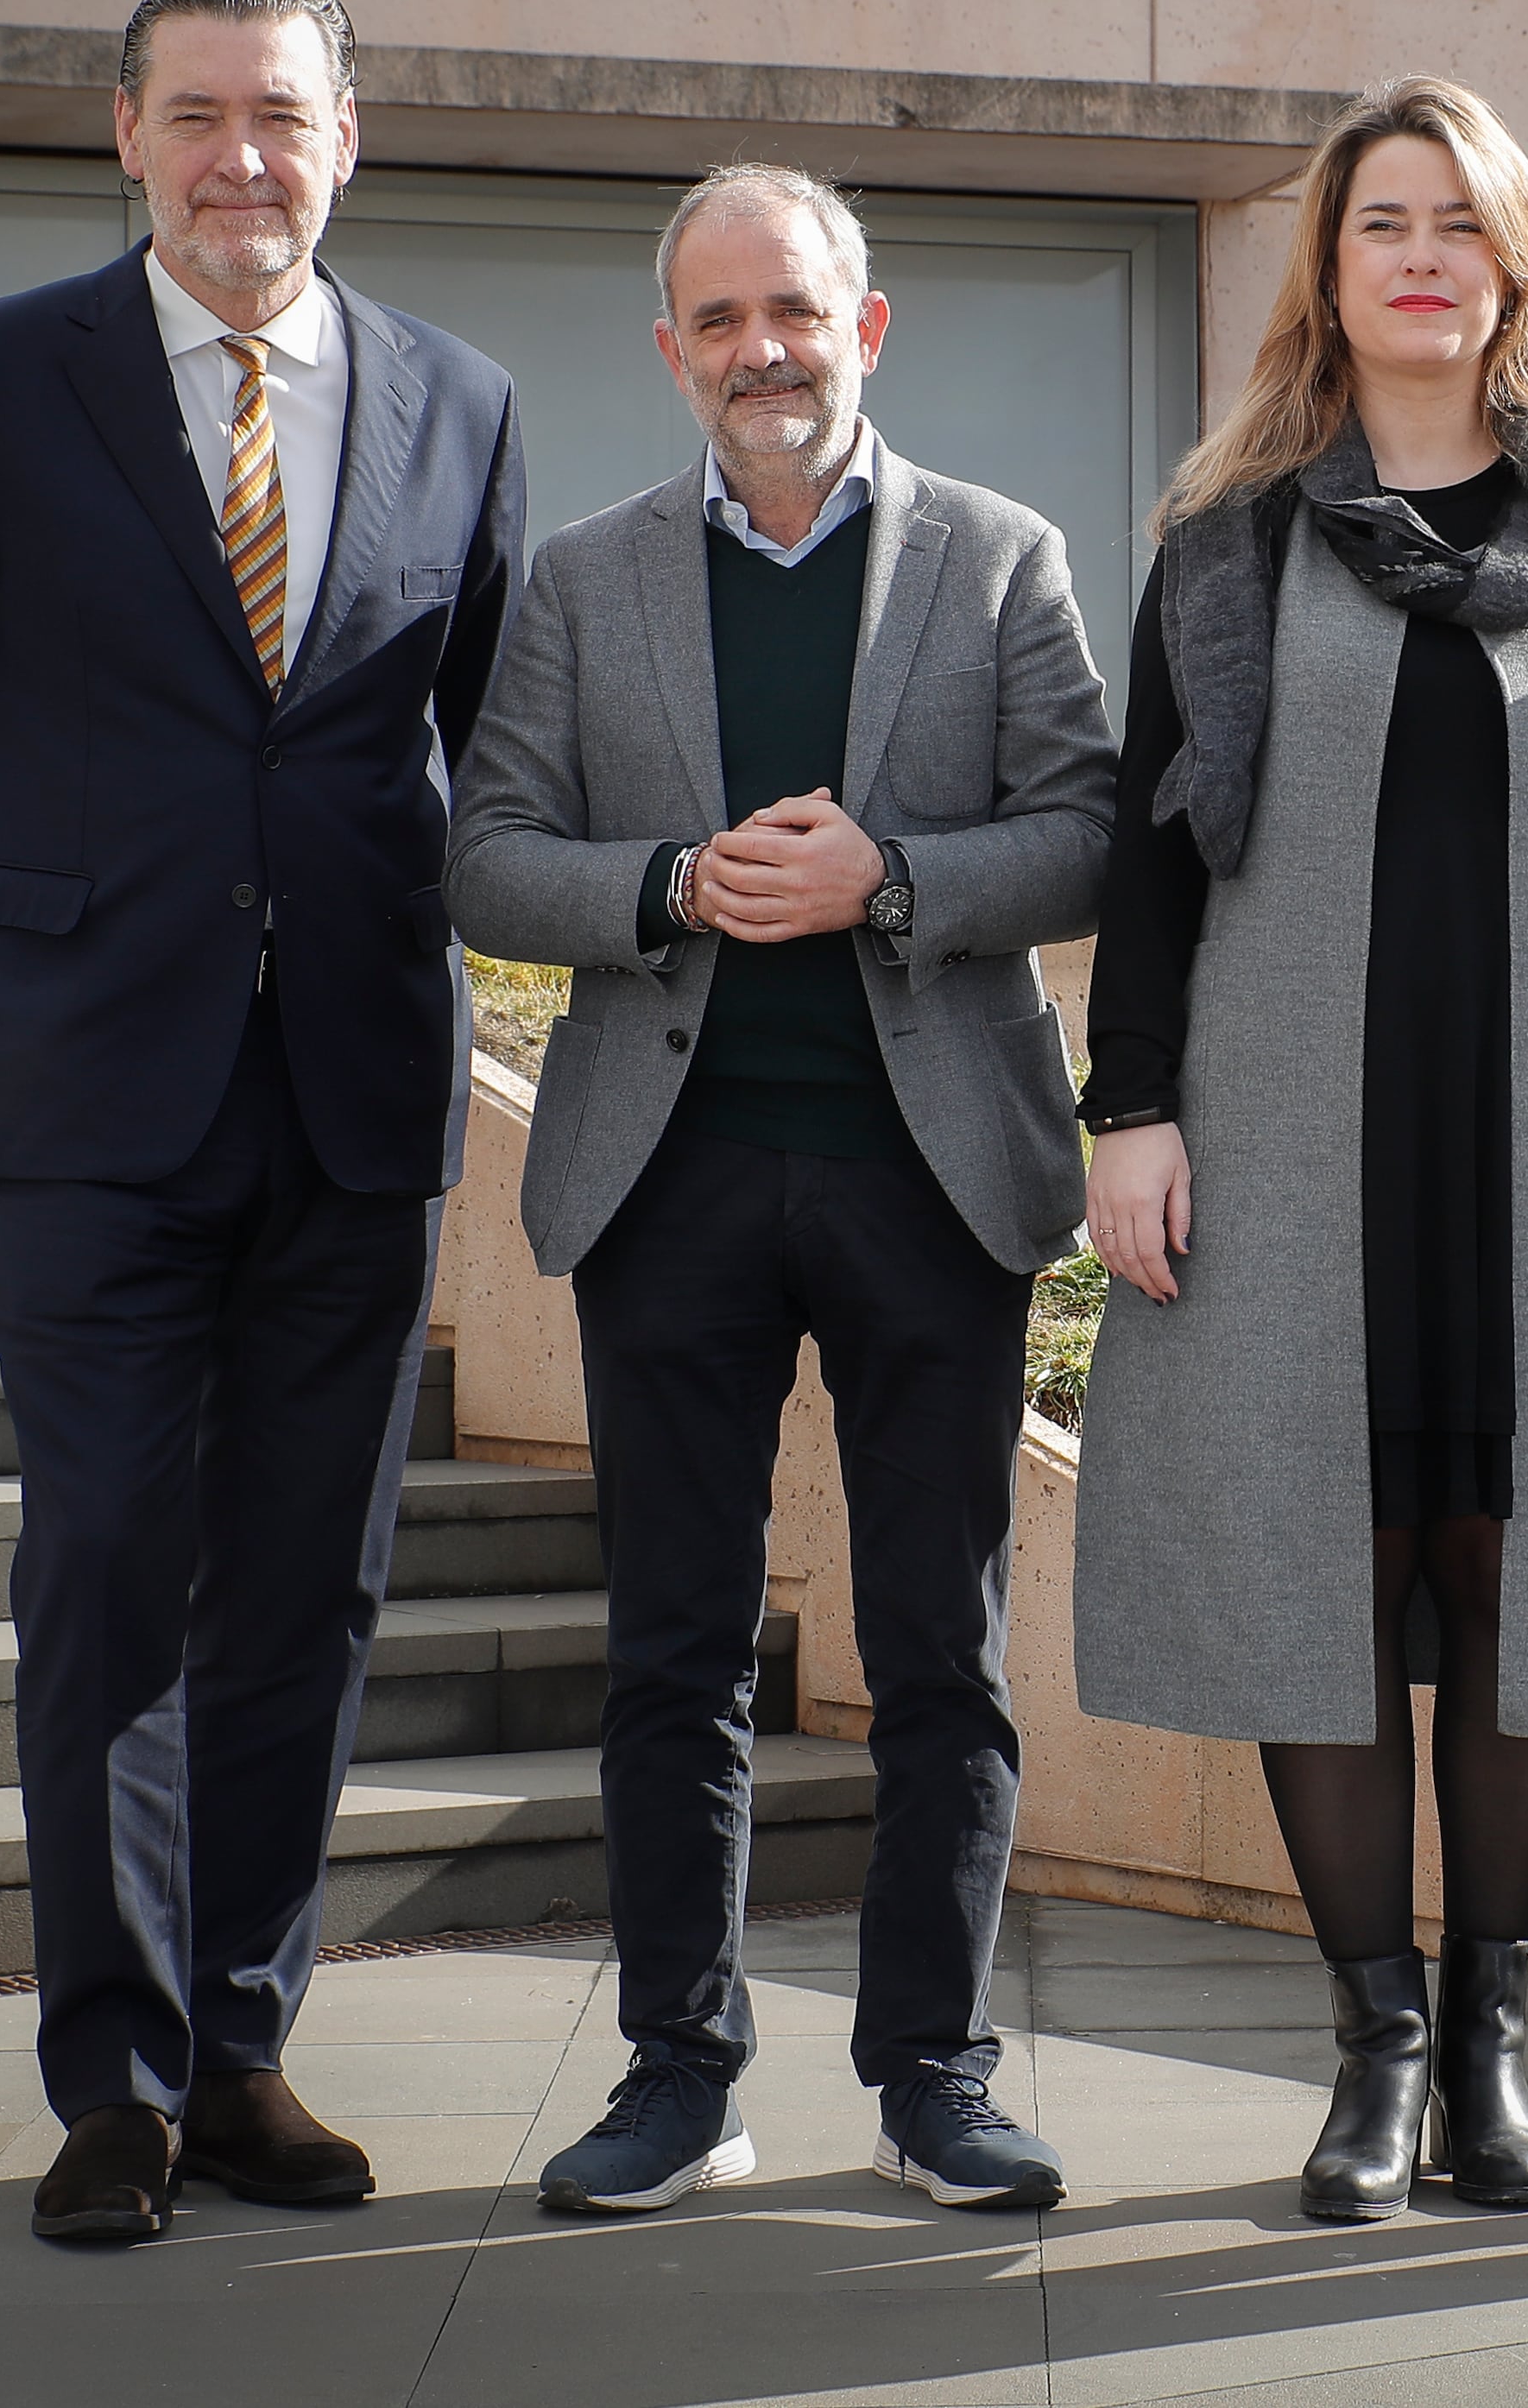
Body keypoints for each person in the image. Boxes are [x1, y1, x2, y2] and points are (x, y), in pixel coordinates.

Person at [0, 0, 526, 2245]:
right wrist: (47, 922)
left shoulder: (462, 402)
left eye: (287, 113)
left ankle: (242, 2044)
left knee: (307, 1587)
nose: (247, 153)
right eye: (201, 110)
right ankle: (110, 2071)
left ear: (354, 138)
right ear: (122, 133)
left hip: (349, 1079)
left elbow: (492, 732)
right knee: (113, 1548)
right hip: (80, 1085)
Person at [1069, 77, 1528, 2222]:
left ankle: (1491, 2036)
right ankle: (1371, 2045)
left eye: (1460, 223)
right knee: (1324, 1564)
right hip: (1297, 1143)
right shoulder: (1229, 544)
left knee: (1515, 1566)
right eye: (1385, 221)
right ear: (1332, 266)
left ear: (1511, 266)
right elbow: (1153, 849)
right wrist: (1132, 1107)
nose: (1422, 257)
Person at [444, 163, 1114, 2218]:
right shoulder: (582, 577)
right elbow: (485, 849)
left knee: (942, 1652)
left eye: (797, 311)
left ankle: (934, 2073)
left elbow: (1090, 827)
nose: (763, 350)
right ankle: (676, 2069)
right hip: (677, 1172)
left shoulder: (1001, 561)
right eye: (721, 319)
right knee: (673, 1644)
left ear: (868, 324)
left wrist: (888, 876)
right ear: (674, 349)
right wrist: (666, 886)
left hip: (934, 1172)